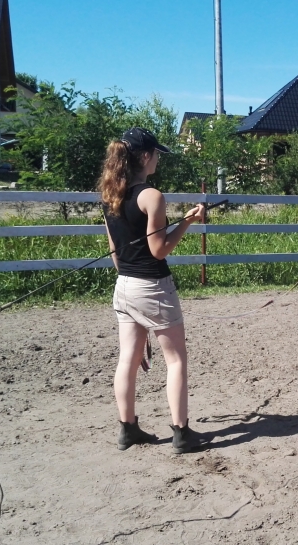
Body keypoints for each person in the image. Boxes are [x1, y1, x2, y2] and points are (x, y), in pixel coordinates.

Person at [97, 126, 208, 454]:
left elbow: (115, 253)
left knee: (127, 360)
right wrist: (186, 222)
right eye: (156, 153)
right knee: (176, 361)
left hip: (124, 286)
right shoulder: (152, 196)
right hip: (153, 287)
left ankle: (128, 428)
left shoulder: (109, 196)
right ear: (145, 156)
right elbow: (159, 250)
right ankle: (181, 433)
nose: (158, 158)